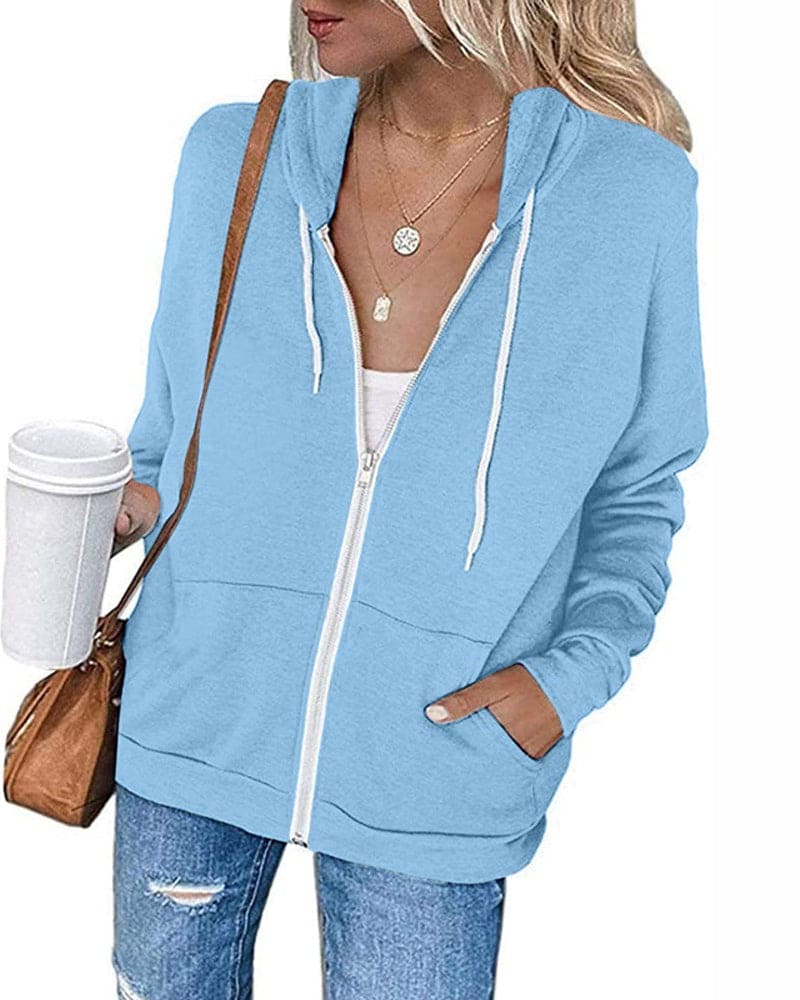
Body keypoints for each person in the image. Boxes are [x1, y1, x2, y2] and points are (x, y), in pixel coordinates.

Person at [110, 2, 708, 997]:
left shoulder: (629, 192)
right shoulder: (234, 154)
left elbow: (636, 482)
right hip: (191, 719)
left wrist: (570, 678)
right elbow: (172, 433)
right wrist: (108, 511)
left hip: (440, 760)